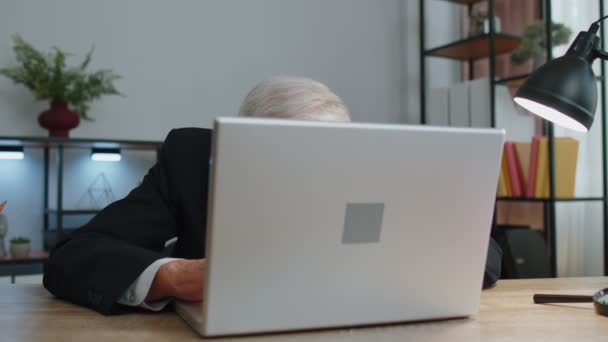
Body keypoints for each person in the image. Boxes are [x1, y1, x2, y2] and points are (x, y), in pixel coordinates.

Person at [43, 77, 501, 315]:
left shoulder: (375, 168)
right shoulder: (191, 161)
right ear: (238, 149)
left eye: (331, 157)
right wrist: (174, 277)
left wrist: (402, 264)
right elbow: (71, 257)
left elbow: (486, 253)